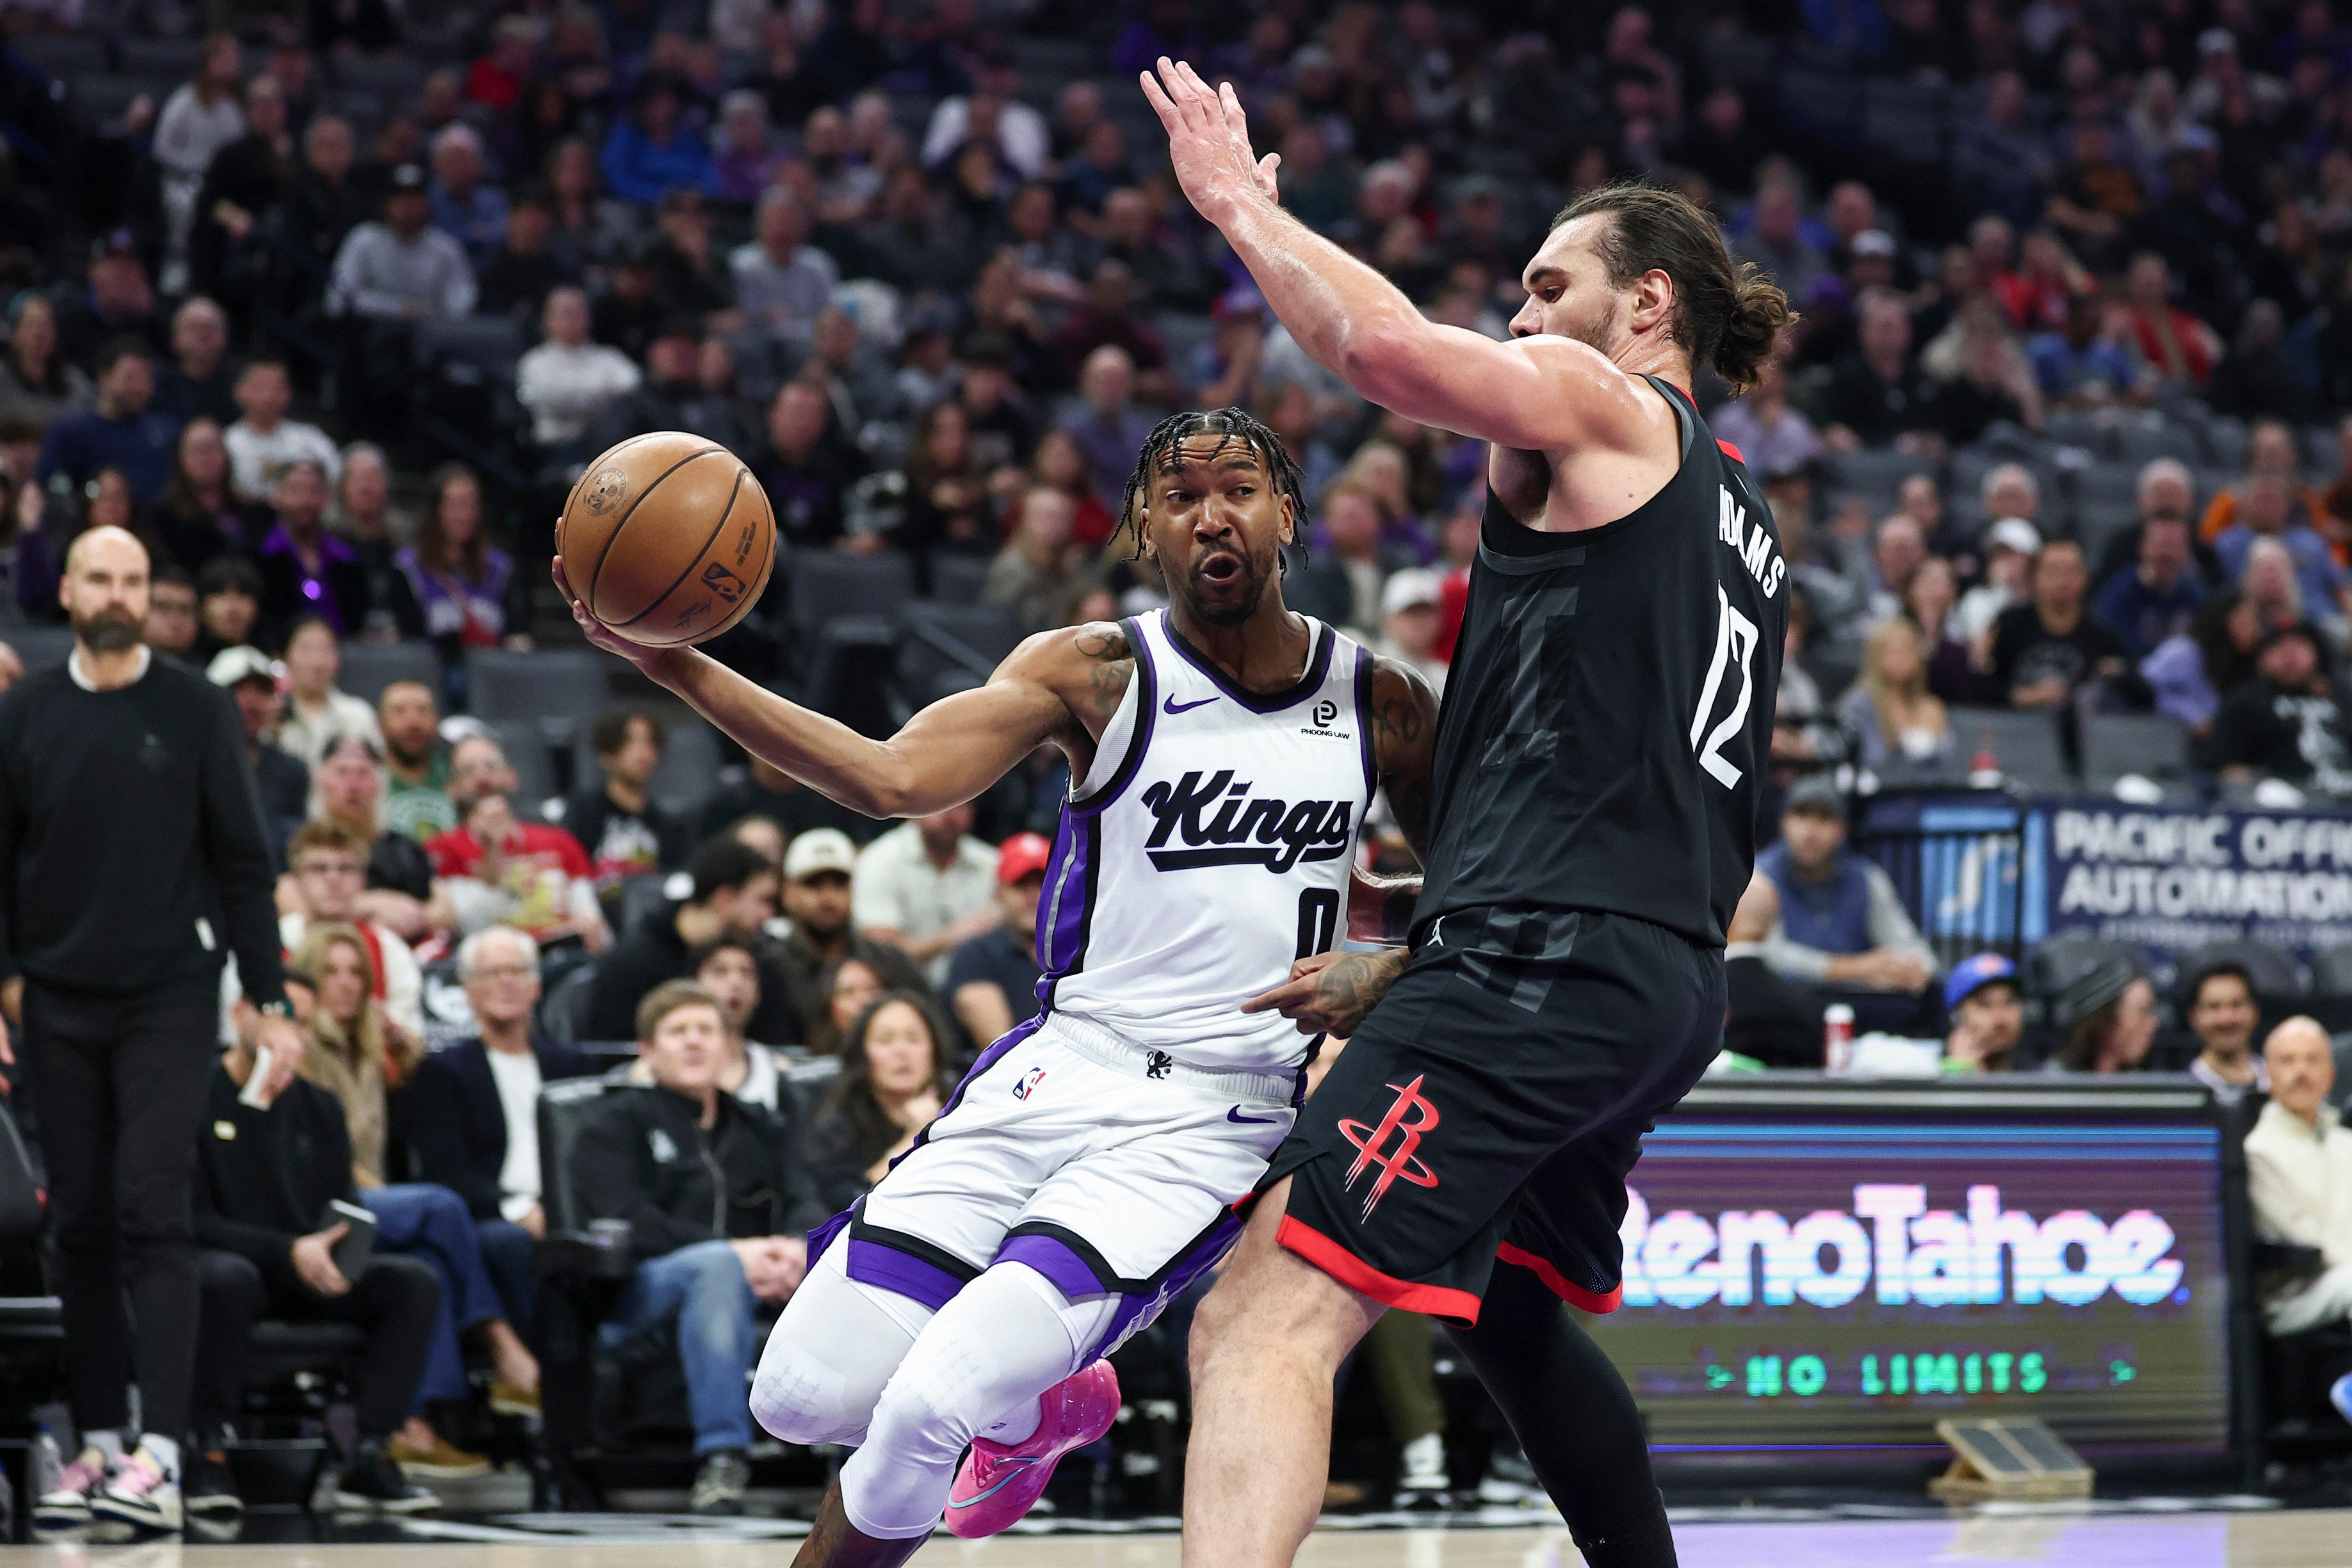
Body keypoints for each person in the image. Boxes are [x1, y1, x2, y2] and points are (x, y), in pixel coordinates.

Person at [555, 396, 1431, 1563]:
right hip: (1059, 1065)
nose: (1211, 516)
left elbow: (1491, 888)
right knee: (799, 1395)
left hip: (1209, 1118)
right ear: (1143, 528)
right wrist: (675, 667)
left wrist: (1392, 960)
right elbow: (890, 778)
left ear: (1286, 510)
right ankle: (1039, 1413)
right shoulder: (1096, 672)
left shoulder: (1377, 700)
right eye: (1180, 497)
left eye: (1238, 491)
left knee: (926, 1407)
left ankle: (996, 1407)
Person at [1145, 72, 1789, 1560]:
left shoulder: (1610, 402)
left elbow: (1377, 349)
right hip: (1657, 978)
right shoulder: (1740, 511)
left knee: (1263, 1312)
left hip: (1544, 961)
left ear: (1647, 306)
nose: (1520, 314)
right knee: (1499, 1309)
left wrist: (1238, 206)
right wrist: (1423, 944)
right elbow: (1610, 764)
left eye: (1549, 287)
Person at [1, 526, 305, 1536]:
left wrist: (270, 996)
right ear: (68, 590)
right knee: (80, 1222)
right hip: (55, 998)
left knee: (152, 1209)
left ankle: (162, 1455)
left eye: (133, 579)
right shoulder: (24, 713)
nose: (117, 594)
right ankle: (97, 1444)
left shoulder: (195, 706)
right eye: (100, 576)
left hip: (170, 995)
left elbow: (244, 861)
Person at [190, 970, 444, 1515]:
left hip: (306, 1270)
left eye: (303, 1024)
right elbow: (193, 1220)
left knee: (411, 1282)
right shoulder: (196, 1097)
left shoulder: (320, 1106)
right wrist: (286, 1250)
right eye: (280, 1018)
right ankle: (207, 1451)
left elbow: (343, 1205)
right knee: (226, 1279)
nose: (290, 1036)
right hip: (237, 1268)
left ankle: (369, 1451)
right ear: (239, 1016)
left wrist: (338, 1253)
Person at [289, 922, 540, 1458]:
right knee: (441, 1205)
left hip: (370, 1203)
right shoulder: (302, 1049)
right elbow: (326, 1155)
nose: (346, 983)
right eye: (330, 972)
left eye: (356, 972)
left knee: (427, 1264)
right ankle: (503, 1344)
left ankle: (415, 1423)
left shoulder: (369, 1051)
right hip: (323, 1205)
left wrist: (403, 1059)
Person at [572, 981, 823, 1514]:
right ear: (647, 1049)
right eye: (678, 1031)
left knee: (844, 1259)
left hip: (751, 1285)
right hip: (639, 1294)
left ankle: (865, 1455)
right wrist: (737, 1252)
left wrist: (791, 1249)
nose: (694, 1042)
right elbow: (628, 1221)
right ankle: (723, 1455)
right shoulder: (613, 1123)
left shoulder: (759, 1125)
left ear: (728, 1045)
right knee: (716, 1265)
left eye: (706, 1030)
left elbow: (805, 1195)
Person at [407, 927, 598, 1242]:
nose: (506, 982)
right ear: (467, 990)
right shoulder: (443, 1074)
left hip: (572, 1203)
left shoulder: (571, 1065)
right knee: (507, 1242)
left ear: (536, 986)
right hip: (494, 1214)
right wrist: (518, 1209)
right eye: (491, 973)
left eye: (517, 971)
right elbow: (448, 1173)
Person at [2242, 1018, 2352, 1427]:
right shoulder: (2257, 1150)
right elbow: (2306, 1242)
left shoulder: (2347, 1144)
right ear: (2268, 1073)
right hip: (2296, 1296)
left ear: (2331, 1075)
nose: (2300, 1072)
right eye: (2288, 1061)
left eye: (2312, 1060)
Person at [1757, 779, 1937, 1028]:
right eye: (1801, 815)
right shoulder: (1760, 878)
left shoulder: (1866, 878)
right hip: (1784, 1007)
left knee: (1929, 997)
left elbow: (1916, 951)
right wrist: (1854, 969)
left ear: (1842, 830)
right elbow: (1766, 955)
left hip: (1853, 1005)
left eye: (1824, 818)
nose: (1810, 831)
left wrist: (1914, 970)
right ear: (1783, 823)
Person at [587, 835, 795, 1041]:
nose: (768, 915)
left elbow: (778, 1045)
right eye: (763, 901)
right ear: (724, 899)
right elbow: (611, 1050)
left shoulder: (759, 962)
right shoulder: (632, 964)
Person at [774, 828, 930, 1045]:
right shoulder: (770, 968)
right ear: (788, 893)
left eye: (840, 884)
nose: (828, 897)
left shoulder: (892, 962)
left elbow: (932, 1032)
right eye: (813, 885)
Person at [807, 990, 956, 1215]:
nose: (901, 1051)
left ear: (934, 1052)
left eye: (913, 1039)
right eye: (885, 1041)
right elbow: (849, 1206)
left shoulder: (962, 1113)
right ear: (863, 1054)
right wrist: (913, 1137)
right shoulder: (837, 1123)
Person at [277, 820, 425, 1042]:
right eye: (319, 869)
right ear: (296, 881)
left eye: (346, 869)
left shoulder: (388, 948)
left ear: (363, 880)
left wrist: (384, 1026)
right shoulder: (271, 942)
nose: (333, 879)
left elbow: (412, 1039)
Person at [851, 805, 998, 987]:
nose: (950, 815)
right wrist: (952, 936)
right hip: (899, 987)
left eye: (961, 804)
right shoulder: (879, 860)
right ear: (916, 804)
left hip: (976, 986)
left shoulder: (991, 863)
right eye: (940, 804)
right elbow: (881, 952)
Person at [385, 465, 524, 657]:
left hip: (488, 670)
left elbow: (514, 634)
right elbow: (405, 638)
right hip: (429, 669)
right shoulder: (408, 568)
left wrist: (517, 644)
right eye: (457, 505)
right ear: (437, 510)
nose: (465, 515)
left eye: (472, 505)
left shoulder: (500, 569)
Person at [2210, 624, 2352, 797]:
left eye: (2299, 645)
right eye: (2278, 647)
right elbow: (2222, 766)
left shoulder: (2342, 696)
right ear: (2261, 658)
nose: (2289, 657)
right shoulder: (2247, 701)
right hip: (2286, 797)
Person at [33, 341, 181, 505]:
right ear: (104, 378)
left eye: (146, 379)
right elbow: (48, 490)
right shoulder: (71, 433)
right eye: (130, 378)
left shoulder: (166, 434)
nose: (139, 388)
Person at [1990, 539, 2132, 709]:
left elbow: (2137, 694)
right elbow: (1985, 688)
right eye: (2054, 571)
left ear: (2085, 578)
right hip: (2014, 722)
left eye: (2071, 571)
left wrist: (2117, 673)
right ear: (2035, 577)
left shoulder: (2103, 637)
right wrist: (2020, 696)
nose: (2063, 580)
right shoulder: (2010, 626)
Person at [941, 832, 1048, 1050]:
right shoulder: (975, 955)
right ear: (998, 893)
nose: (1033, 896)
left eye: (1042, 883)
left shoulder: (1083, 951)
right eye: (1020, 885)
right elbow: (1001, 1047)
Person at [565, 707, 686, 900]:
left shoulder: (666, 823)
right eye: (631, 742)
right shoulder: (584, 812)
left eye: (650, 743)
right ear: (606, 754)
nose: (644, 754)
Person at [207, 645, 309, 861]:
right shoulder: (195, 766)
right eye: (238, 689)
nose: (251, 702)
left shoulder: (293, 770)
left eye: (262, 691)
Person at [255, 461, 371, 645]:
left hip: (341, 652)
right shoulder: (260, 556)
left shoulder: (347, 558)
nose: (305, 500)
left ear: (327, 496)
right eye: (296, 490)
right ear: (276, 495)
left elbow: (358, 620)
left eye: (314, 491)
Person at [1834, 616, 1952, 777]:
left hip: (1926, 787)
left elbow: (1947, 760)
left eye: (1907, 650)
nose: (1901, 659)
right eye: (1893, 652)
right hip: (1876, 785)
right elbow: (1870, 757)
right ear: (1876, 657)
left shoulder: (1929, 706)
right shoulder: (1859, 704)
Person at [221, 359, 340, 504]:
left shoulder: (310, 439)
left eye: (276, 388)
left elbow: (337, 480)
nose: (268, 396)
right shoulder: (225, 442)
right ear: (238, 391)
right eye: (260, 387)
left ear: (288, 393)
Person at [2093, 512, 2205, 662]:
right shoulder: (2118, 595)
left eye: (2174, 546)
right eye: (2161, 545)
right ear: (2143, 547)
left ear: (2187, 552)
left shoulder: (2195, 596)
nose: (2167, 553)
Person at [276, 617, 380, 767]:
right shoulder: (273, 716)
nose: (317, 662)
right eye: (306, 650)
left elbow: (377, 769)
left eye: (326, 650)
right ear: (286, 656)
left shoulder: (359, 715)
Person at [377, 679, 455, 841]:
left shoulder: (455, 776)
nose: (413, 722)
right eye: (399, 712)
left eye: (422, 711)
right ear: (381, 725)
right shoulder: (369, 780)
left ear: (436, 721)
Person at [2053, 955, 2158, 1073]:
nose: (2153, 1023)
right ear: (2107, 1020)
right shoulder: (2051, 1081)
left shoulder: (2145, 1082)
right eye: (2143, 1011)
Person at [2184, 960, 2267, 1106]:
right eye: (2214, 1007)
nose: (2227, 1019)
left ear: (2255, 1011)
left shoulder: (2278, 1085)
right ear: (2193, 1017)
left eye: (2237, 1005)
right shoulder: (2182, 1093)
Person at [1941, 952, 2024, 1074]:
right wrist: (1960, 1070)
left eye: (2010, 1002)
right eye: (1985, 1004)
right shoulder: (1925, 1072)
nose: (2001, 1019)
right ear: (1957, 1017)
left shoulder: (2043, 1072)